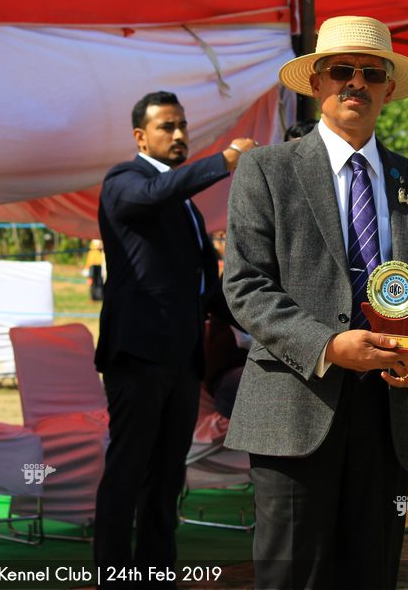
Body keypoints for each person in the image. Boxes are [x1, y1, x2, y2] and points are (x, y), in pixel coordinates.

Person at [222, 16, 408, 588]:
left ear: (389, 88)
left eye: (371, 73)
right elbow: (246, 285)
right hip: (293, 408)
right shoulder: (266, 169)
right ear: (316, 83)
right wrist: (328, 346)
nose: (356, 83)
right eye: (341, 71)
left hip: (388, 420)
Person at [93, 91, 255, 580]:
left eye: (183, 125)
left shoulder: (185, 206)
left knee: (166, 478)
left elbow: (206, 289)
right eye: (167, 126)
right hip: (138, 356)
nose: (180, 134)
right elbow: (152, 195)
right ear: (140, 137)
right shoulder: (124, 181)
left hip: (183, 361)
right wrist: (224, 161)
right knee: (128, 472)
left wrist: (265, 326)